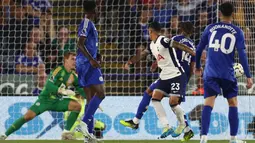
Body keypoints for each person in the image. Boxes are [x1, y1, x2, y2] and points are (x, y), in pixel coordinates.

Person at [120, 21, 195, 139]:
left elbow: (176, 45)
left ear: (151, 30)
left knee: (173, 103)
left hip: (176, 74)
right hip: (169, 76)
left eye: (148, 31)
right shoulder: (152, 45)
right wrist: (130, 62)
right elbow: (144, 54)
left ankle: (184, 127)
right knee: (154, 97)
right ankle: (167, 127)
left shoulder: (165, 39)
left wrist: (191, 52)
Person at [195, 2, 253, 143]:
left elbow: (198, 49)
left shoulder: (210, 28)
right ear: (233, 14)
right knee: (233, 103)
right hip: (227, 73)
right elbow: (242, 54)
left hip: (211, 72)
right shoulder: (238, 31)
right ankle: (233, 139)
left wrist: (197, 66)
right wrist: (248, 75)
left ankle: (203, 138)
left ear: (219, 13)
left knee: (208, 104)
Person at [0, 52, 84, 140]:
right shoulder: (58, 70)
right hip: (45, 100)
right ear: (65, 60)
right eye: (72, 59)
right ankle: (5, 135)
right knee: (28, 116)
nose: (75, 61)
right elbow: (48, 85)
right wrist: (61, 90)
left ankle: (66, 133)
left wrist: (92, 99)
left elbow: (81, 90)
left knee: (77, 106)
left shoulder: (74, 76)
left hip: (57, 101)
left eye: (76, 59)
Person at [75, 1, 105, 142]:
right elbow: (80, 43)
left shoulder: (90, 24)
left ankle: (88, 136)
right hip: (86, 64)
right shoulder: (86, 22)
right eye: (98, 9)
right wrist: (91, 60)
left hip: (85, 62)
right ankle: (84, 123)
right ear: (94, 10)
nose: (99, 11)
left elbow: (87, 44)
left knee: (90, 97)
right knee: (101, 93)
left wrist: (96, 55)